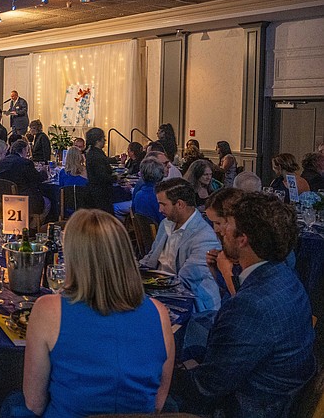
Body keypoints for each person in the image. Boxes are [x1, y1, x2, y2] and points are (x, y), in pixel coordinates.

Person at [5, 209, 173, 417]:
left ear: (74, 258)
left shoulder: (48, 309)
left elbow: (34, 403)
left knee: (11, 404)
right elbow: (158, 402)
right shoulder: (159, 313)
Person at [170, 192, 315, 417]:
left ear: (243, 239)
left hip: (250, 406)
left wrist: (163, 374)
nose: (220, 231)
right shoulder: (284, 275)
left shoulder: (251, 306)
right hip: (276, 393)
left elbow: (207, 387)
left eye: (227, 225)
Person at [139, 179, 221, 311]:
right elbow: (151, 257)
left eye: (162, 204)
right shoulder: (167, 223)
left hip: (189, 301)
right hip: (159, 290)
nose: (159, 209)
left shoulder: (204, 236)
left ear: (180, 204)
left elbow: (185, 281)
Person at [0, 139, 49, 217]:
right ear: (24, 150)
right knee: (48, 203)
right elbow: (38, 178)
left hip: (4, 199)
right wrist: (44, 171)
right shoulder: (25, 163)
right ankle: (34, 225)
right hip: (24, 199)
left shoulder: (1, 162)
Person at [84, 127, 115, 214]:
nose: (105, 140)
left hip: (95, 191)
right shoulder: (97, 155)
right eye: (103, 138)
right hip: (100, 193)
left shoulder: (92, 153)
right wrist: (115, 178)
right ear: (98, 140)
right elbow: (102, 176)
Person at [132, 158, 165, 225]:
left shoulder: (138, 194)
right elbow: (165, 221)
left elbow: (133, 209)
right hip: (159, 232)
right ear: (161, 174)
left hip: (145, 232)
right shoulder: (159, 197)